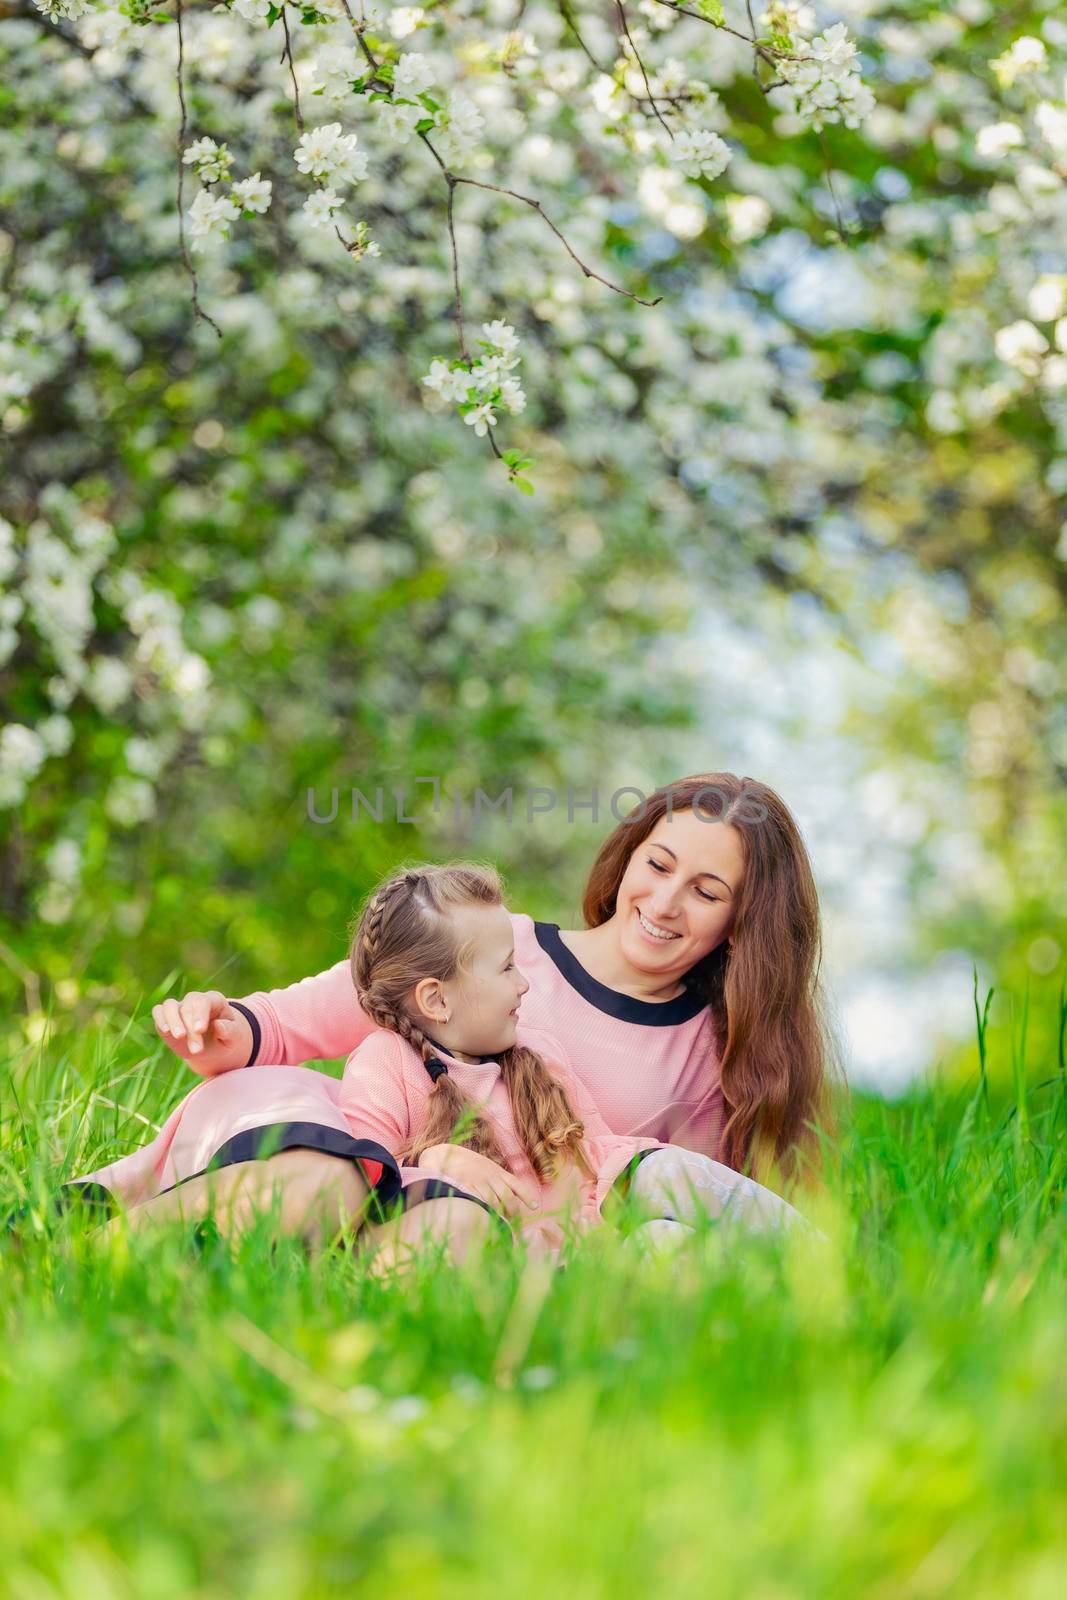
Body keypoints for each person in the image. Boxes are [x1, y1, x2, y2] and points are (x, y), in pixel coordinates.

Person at [62, 773, 837, 1246]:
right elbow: (319, 1011)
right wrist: (232, 1026)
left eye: (705, 893)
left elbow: (661, 1195)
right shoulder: (503, 947)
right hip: (384, 1162)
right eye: (657, 864)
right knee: (316, 1144)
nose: (664, 902)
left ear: (743, 921)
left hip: (508, 1232)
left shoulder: (711, 1051)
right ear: (629, 854)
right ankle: (120, 1227)